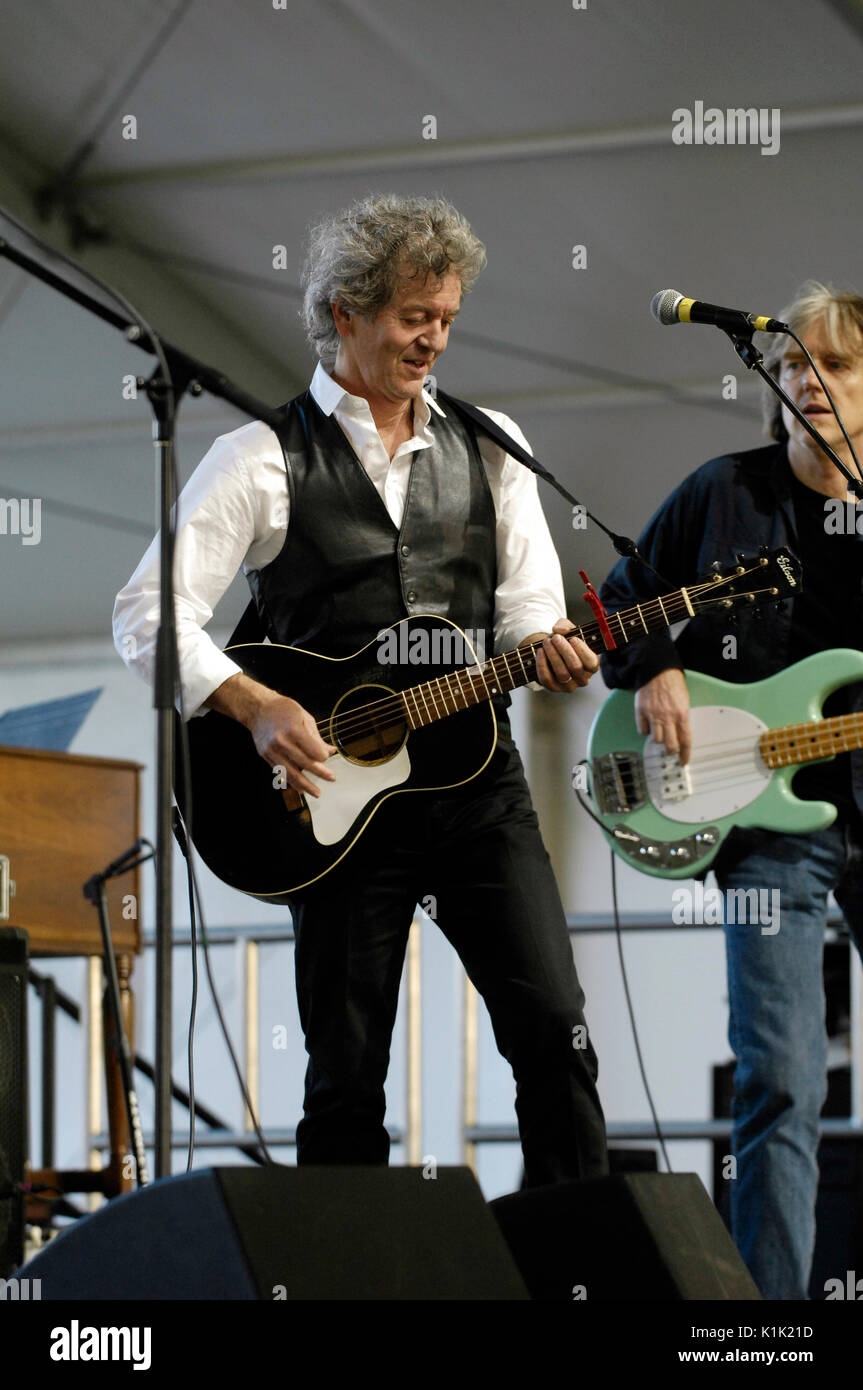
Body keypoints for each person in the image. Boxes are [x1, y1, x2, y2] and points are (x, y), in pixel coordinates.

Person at [113, 193, 609, 1188]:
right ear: (344, 311)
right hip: (331, 805)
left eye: (447, 318)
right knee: (345, 1078)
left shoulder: (491, 442)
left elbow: (525, 609)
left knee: (555, 1031)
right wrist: (249, 703)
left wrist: (546, 647)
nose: (433, 339)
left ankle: (573, 1269)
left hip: (476, 790)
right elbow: (145, 612)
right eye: (411, 317)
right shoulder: (256, 459)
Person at [599, 281, 863, 1299]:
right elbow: (619, 595)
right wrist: (652, 662)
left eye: (832, 365)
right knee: (780, 1080)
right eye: (794, 366)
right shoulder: (723, 492)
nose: (807, 382)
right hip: (763, 825)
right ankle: (775, 1323)